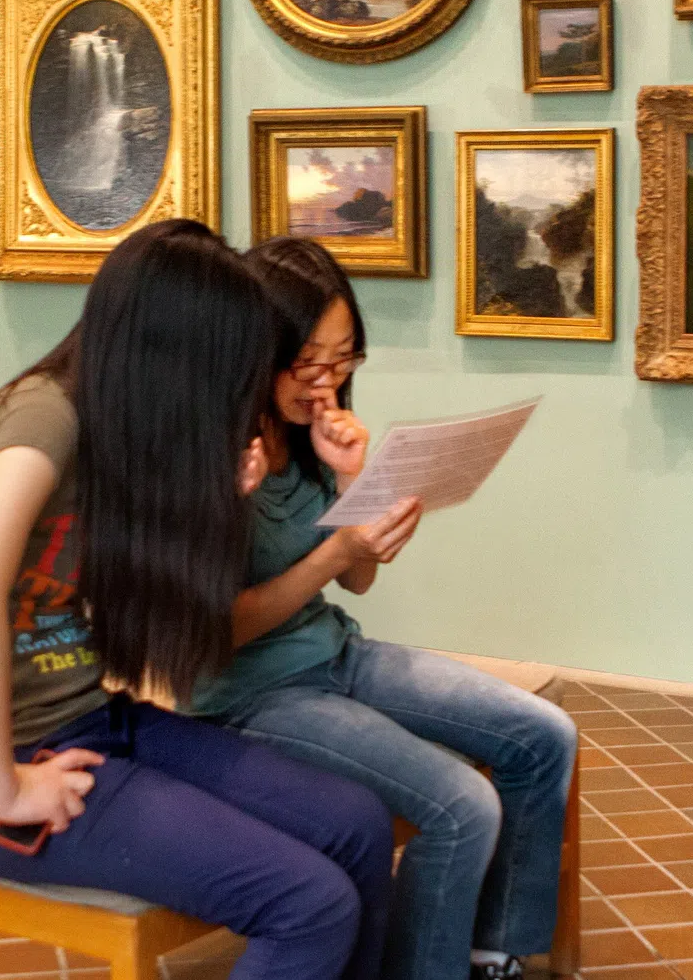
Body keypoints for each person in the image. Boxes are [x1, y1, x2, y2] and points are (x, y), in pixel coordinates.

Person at [0, 220, 395, 980]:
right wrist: (5, 785)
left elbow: (170, 638)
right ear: (174, 357)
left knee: (355, 824)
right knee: (309, 903)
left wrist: (219, 509)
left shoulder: (130, 435)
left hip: (94, 720)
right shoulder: (44, 418)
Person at [192, 236, 577, 980]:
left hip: (335, 653)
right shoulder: (215, 449)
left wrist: (351, 483)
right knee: (463, 804)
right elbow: (216, 633)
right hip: (248, 696)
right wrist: (336, 551)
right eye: (311, 361)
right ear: (257, 347)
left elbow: (358, 585)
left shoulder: (314, 433)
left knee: (542, 734)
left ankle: (492, 952)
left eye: (345, 359)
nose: (328, 381)